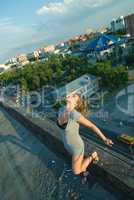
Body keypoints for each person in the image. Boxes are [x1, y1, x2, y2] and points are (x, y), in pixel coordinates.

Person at [57, 91, 113, 175]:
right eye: (71, 94)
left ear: (75, 104)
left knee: (77, 171)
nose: (70, 95)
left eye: (74, 96)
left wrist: (104, 139)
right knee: (78, 167)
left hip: (77, 147)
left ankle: (92, 156)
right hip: (67, 144)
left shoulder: (75, 115)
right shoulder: (61, 109)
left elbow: (92, 126)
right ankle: (85, 170)